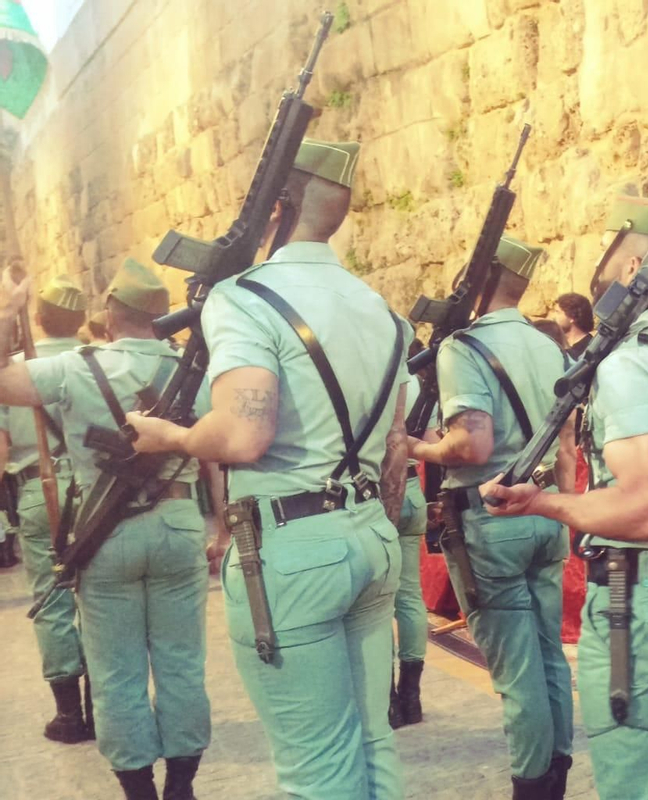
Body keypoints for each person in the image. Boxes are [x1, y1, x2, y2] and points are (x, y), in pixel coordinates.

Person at [127, 139, 413, 798]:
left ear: (276, 206)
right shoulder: (381, 309)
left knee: (316, 767)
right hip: (371, 532)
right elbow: (396, 444)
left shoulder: (244, 296)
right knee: (372, 743)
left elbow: (244, 433)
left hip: (292, 546)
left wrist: (167, 434)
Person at [480, 194, 648, 800]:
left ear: (632, 269)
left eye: (609, 251)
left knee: (638, 784)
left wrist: (543, 504)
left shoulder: (633, 364)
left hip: (639, 599)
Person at [1, 260, 219, 800]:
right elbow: (218, 453)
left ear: (108, 314)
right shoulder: (195, 370)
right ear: (160, 315)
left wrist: (8, 311)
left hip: (105, 531)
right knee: (182, 661)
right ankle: (183, 786)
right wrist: (223, 524)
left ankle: (138, 789)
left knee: (116, 670)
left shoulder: (76, 367)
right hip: (177, 522)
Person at [409, 235, 576, 796]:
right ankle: (557, 771)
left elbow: (472, 447)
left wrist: (420, 447)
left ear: (479, 281)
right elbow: (568, 444)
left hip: (491, 518)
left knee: (515, 669)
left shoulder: (464, 347)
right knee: (549, 652)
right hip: (547, 511)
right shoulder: (551, 346)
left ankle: (532, 783)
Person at [1, 277, 92, 743]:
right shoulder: (97, 360)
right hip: (99, 491)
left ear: (38, 318)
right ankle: (105, 700)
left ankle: (70, 714)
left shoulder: (13, 370)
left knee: (53, 599)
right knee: (100, 596)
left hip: (40, 488)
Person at [389, 340, 429, 731]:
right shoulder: (417, 383)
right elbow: (432, 441)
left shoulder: (370, 376)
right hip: (414, 489)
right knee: (410, 594)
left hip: (379, 491)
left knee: (378, 601)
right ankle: (412, 697)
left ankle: (387, 700)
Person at [551, 292, 594, 358]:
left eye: (558, 312)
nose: (553, 317)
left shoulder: (590, 348)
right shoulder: (554, 341)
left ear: (572, 317)